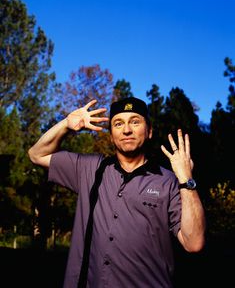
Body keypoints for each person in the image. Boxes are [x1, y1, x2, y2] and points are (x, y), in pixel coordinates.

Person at [28, 97, 206, 288]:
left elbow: (193, 243)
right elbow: (37, 154)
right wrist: (66, 125)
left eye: (135, 122)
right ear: (112, 134)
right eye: (118, 123)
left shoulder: (169, 181)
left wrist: (187, 180)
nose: (126, 130)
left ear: (149, 131)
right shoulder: (89, 169)